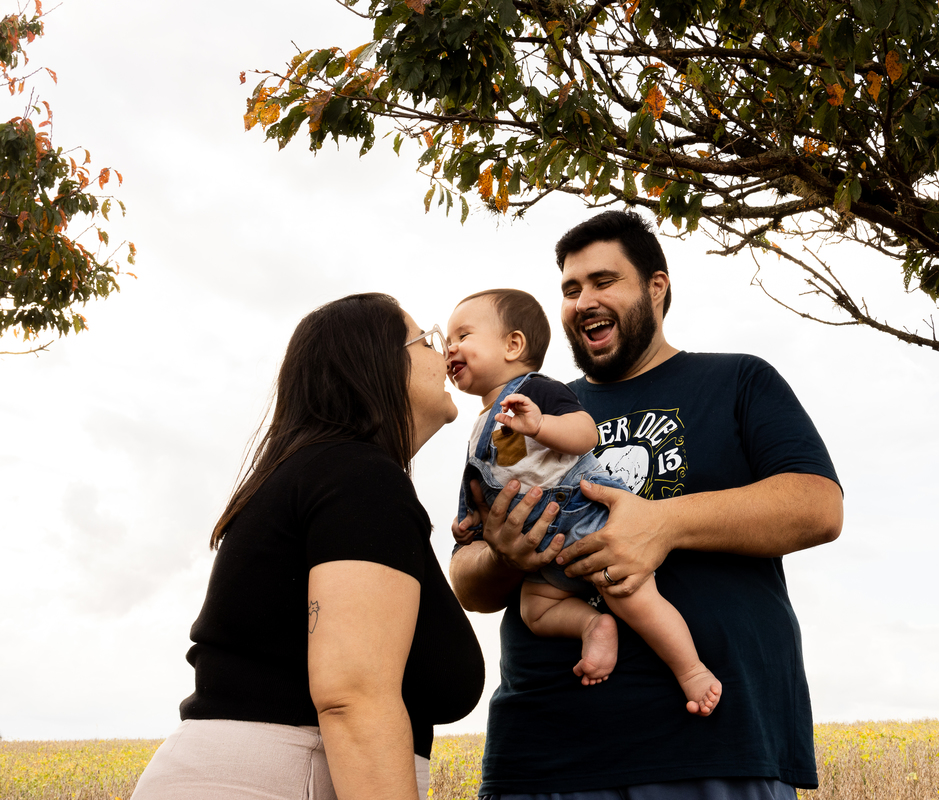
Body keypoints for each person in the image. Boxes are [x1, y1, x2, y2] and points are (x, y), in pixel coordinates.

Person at [450, 211, 844, 798]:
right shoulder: (526, 411)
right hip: (541, 753)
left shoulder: (738, 381)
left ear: (656, 287)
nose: (583, 301)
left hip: (713, 748)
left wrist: (662, 524)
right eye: (571, 289)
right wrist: (504, 555)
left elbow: (819, 507)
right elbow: (467, 582)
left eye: (603, 281)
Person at [132, 293, 484, 800]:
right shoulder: (360, 478)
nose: (444, 351)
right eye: (426, 340)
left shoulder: (314, 475)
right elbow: (353, 697)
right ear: (376, 363)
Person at [446, 288, 721, 714]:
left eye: (462, 336)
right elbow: (487, 485)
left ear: (513, 345)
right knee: (535, 609)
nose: (449, 347)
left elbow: (585, 434)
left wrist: (540, 425)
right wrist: (469, 525)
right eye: (448, 340)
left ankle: (691, 670)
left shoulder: (535, 391)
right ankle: (593, 626)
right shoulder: (481, 425)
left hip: (586, 518)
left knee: (631, 595)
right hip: (546, 552)